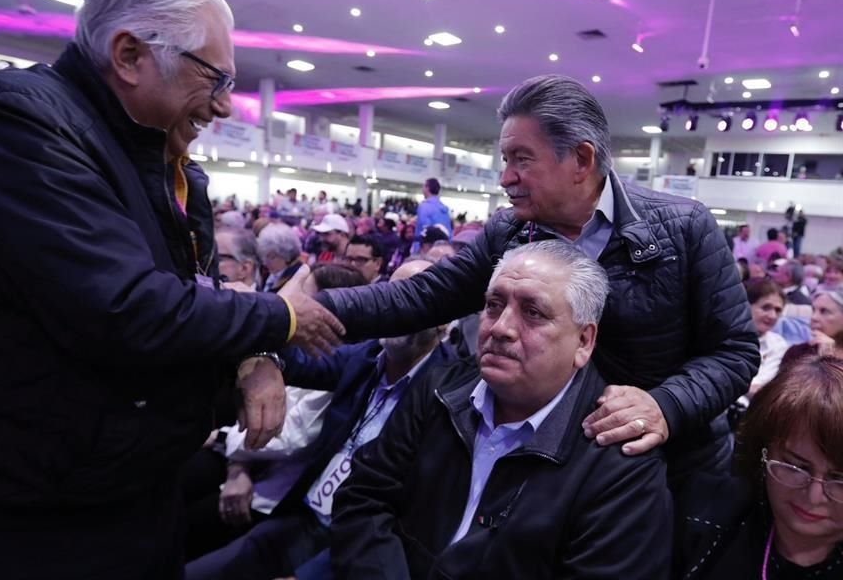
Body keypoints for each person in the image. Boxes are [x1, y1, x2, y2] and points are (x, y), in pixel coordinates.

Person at [0, 0, 343, 580]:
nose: (225, 106)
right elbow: (126, 306)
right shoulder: (13, 121)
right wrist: (278, 318)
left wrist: (249, 357)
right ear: (130, 55)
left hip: (116, 490)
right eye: (214, 78)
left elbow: (196, 292)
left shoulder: (152, 154)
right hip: (20, 518)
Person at [317, 74, 758, 484]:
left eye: (521, 160)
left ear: (581, 159)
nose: (506, 177)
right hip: (545, 468)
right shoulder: (507, 232)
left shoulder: (683, 228)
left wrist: (666, 405)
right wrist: (294, 313)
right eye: (506, 159)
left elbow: (734, 351)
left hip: (668, 470)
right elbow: (419, 297)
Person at [331, 241, 672, 579]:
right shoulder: (438, 390)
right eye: (494, 305)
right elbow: (363, 499)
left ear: (583, 341)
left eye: (533, 313)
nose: (500, 328)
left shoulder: (620, 463)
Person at [186, 259, 462, 580]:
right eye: (395, 293)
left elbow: (413, 517)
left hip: (357, 545)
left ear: (444, 324)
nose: (401, 309)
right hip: (303, 518)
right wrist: (266, 342)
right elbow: (298, 361)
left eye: (416, 299)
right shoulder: (365, 356)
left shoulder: (448, 390)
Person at [682, 352, 843, 579]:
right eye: (796, 466)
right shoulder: (701, 512)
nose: (814, 496)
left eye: (839, 480)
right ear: (763, 451)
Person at [736, 278, 788, 406]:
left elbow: (763, 388)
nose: (772, 316)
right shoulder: (725, 336)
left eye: (778, 310)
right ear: (746, 306)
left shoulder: (778, 345)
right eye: (766, 307)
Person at [781, 287, 843, 366]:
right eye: (813, 310)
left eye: (824, 311)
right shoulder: (797, 353)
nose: (814, 317)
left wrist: (829, 359)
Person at [258, 222, 305, 293]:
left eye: (272, 257)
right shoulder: (269, 273)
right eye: (264, 256)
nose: (265, 262)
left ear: (287, 256)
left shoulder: (296, 279)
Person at [411, 177, 450, 254]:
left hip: (427, 248)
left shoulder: (424, 206)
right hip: (443, 247)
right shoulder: (444, 209)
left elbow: (423, 230)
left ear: (427, 188)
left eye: (423, 186)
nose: (422, 189)